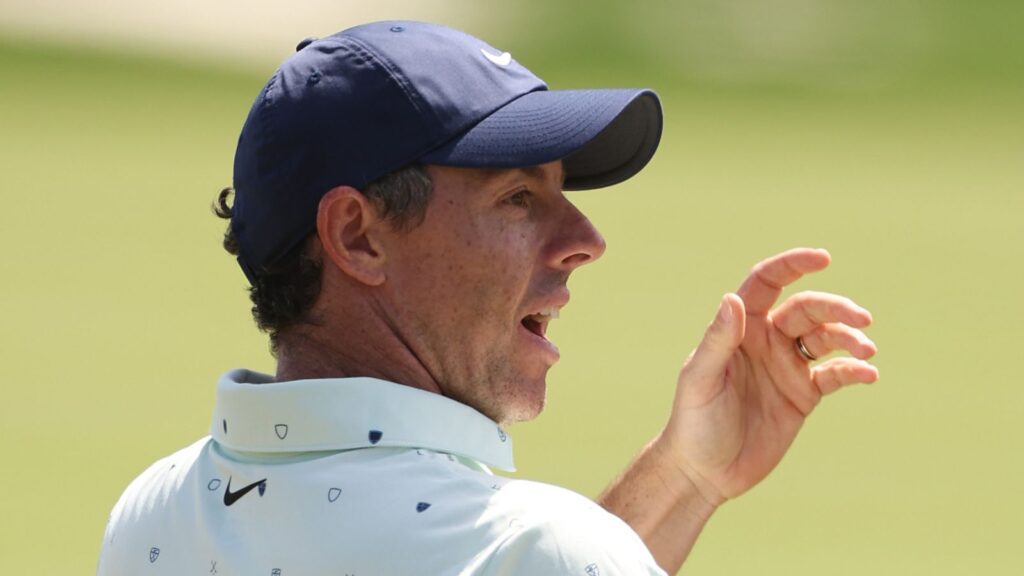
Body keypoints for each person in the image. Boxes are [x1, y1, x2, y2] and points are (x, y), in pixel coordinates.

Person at [97, 20, 878, 576]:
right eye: (517, 197)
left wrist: (685, 477)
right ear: (358, 236)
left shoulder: (150, 517)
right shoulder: (545, 550)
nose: (586, 239)